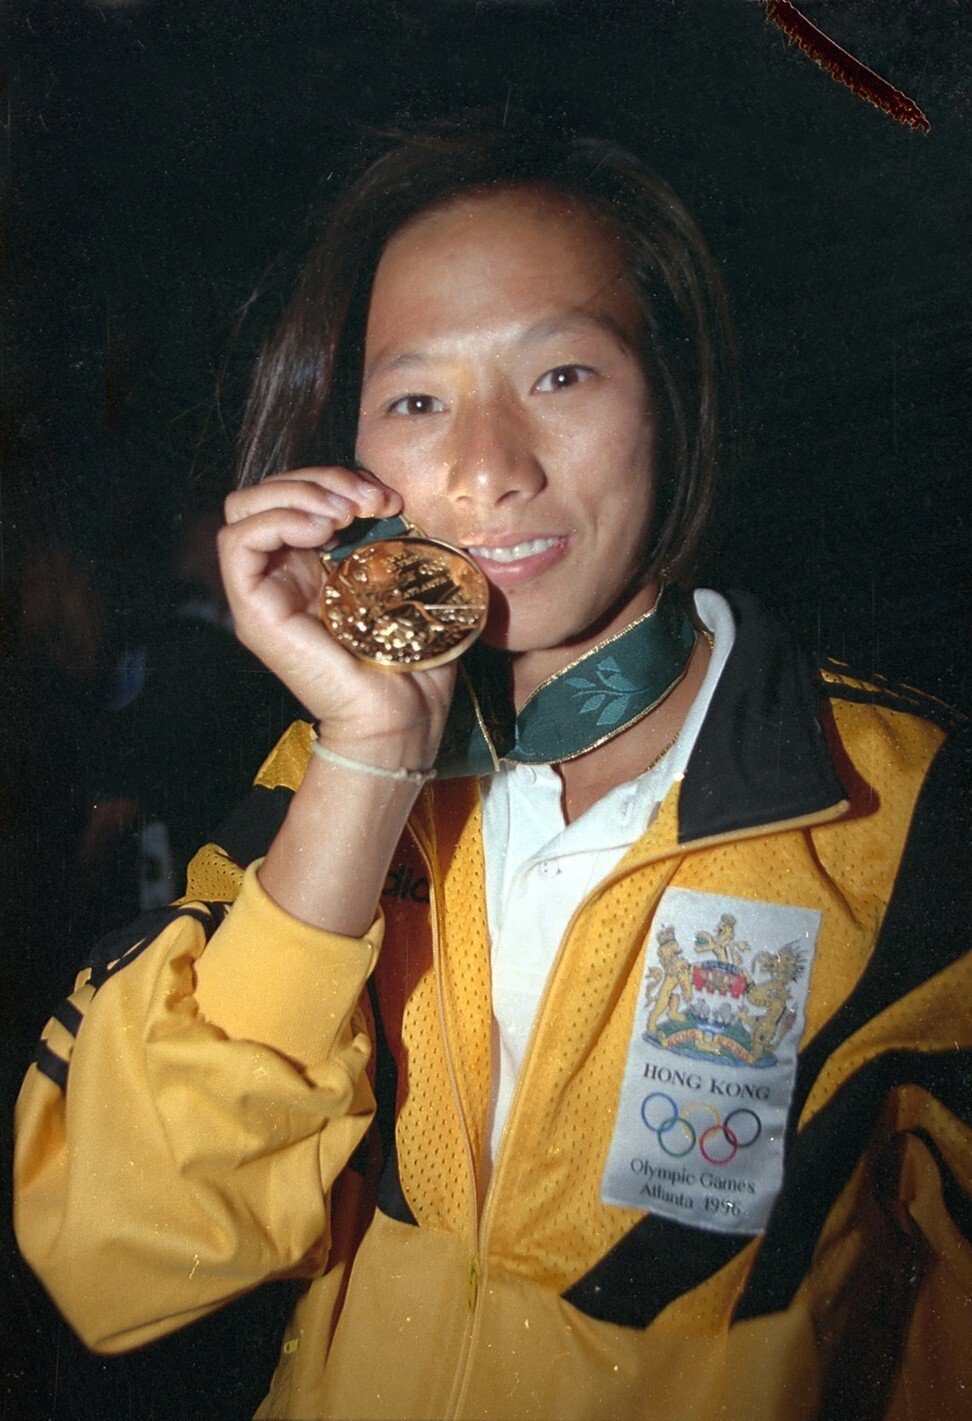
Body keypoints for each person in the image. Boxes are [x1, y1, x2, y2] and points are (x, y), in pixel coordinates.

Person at [13, 118, 969, 1421]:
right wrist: (369, 755)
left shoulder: (906, 810)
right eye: (417, 399)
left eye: (564, 376)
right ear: (351, 458)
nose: (487, 468)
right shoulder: (327, 787)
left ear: (673, 391)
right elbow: (120, 1258)